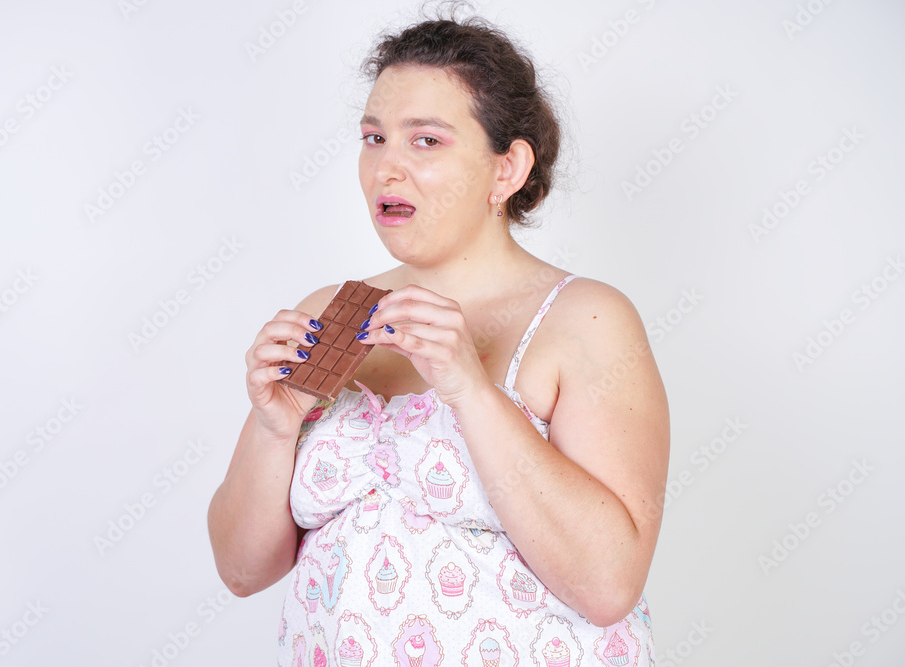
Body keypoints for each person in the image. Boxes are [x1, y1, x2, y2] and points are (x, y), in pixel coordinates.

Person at [208, 9, 669, 666]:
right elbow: (240, 570)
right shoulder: (332, 313)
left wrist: (471, 390)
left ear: (506, 170)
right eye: (374, 138)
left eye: (426, 141)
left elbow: (607, 584)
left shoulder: (586, 320)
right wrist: (273, 428)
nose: (386, 169)